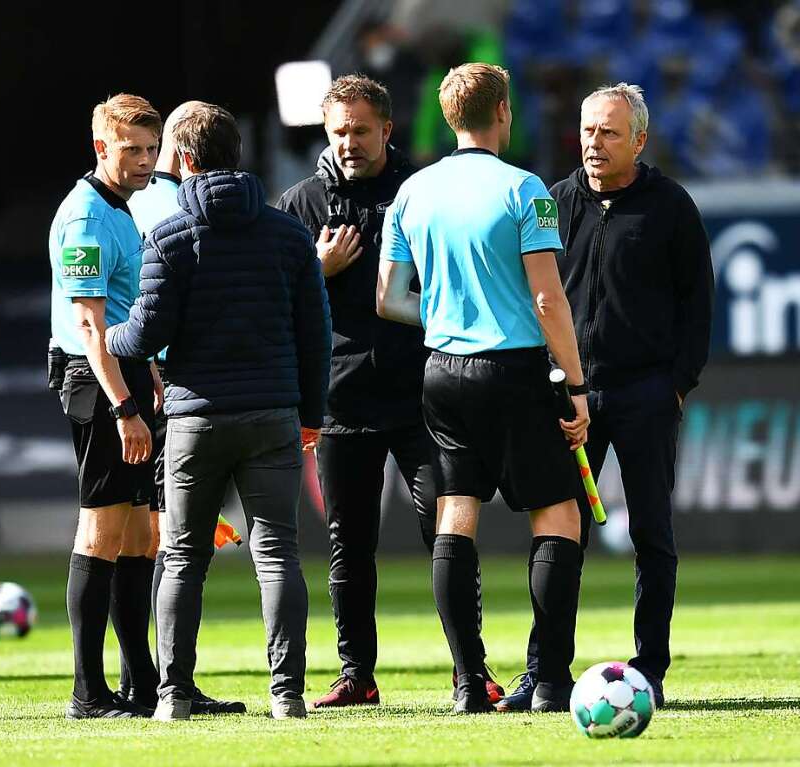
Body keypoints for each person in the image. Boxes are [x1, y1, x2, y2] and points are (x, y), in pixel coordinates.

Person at [278, 74, 502, 709]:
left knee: (448, 533)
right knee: (350, 546)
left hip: (422, 398)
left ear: (387, 129)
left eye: (360, 130)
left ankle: (470, 673)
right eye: (338, 131)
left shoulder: (425, 192)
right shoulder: (299, 207)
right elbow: (272, 307)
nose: (349, 143)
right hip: (341, 402)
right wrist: (315, 274)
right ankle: (357, 677)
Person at [106, 103, 332, 721]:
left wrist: (108, 336)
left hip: (195, 420)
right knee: (278, 553)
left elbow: (147, 333)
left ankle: (173, 694)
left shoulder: (170, 236)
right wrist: (311, 413)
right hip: (272, 414)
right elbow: (317, 333)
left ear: (182, 158)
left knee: (181, 557)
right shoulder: (288, 234)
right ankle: (287, 696)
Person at [376, 63, 589, 714]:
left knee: (455, 512)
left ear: (448, 118)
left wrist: (444, 316)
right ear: (503, 111)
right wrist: (575, 384)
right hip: (515, 368)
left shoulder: (413, 191)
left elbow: (387, 298)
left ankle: (469, 681)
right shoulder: (525, 189)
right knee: (558, 513)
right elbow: (547, 298)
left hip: (441, 371)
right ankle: (550, 680)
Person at [499, 83, 713, 712]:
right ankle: (545, 674)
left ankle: (650, 667)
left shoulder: (671, 206)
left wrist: (677, 384)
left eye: (609, 133)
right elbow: (529, 294)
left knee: (652, 533)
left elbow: (698, 304)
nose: (593, 143)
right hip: (568, 395)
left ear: (639, 140)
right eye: (589, 130)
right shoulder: (553, 203)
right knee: (559, 537)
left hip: (646, 390)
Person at [48, 93, 163, 720]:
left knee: (143, 533)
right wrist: (124, 407)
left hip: (129, 380)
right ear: (102, 148)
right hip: (100, 388)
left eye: (151, 149)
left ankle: (140, 683)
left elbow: (126, 315)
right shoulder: (86, 218)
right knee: (103, 528)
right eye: (132, 150)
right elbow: (89, 327)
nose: (146, 161)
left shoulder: (121, 210)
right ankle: (87, 692)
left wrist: (151, 378)